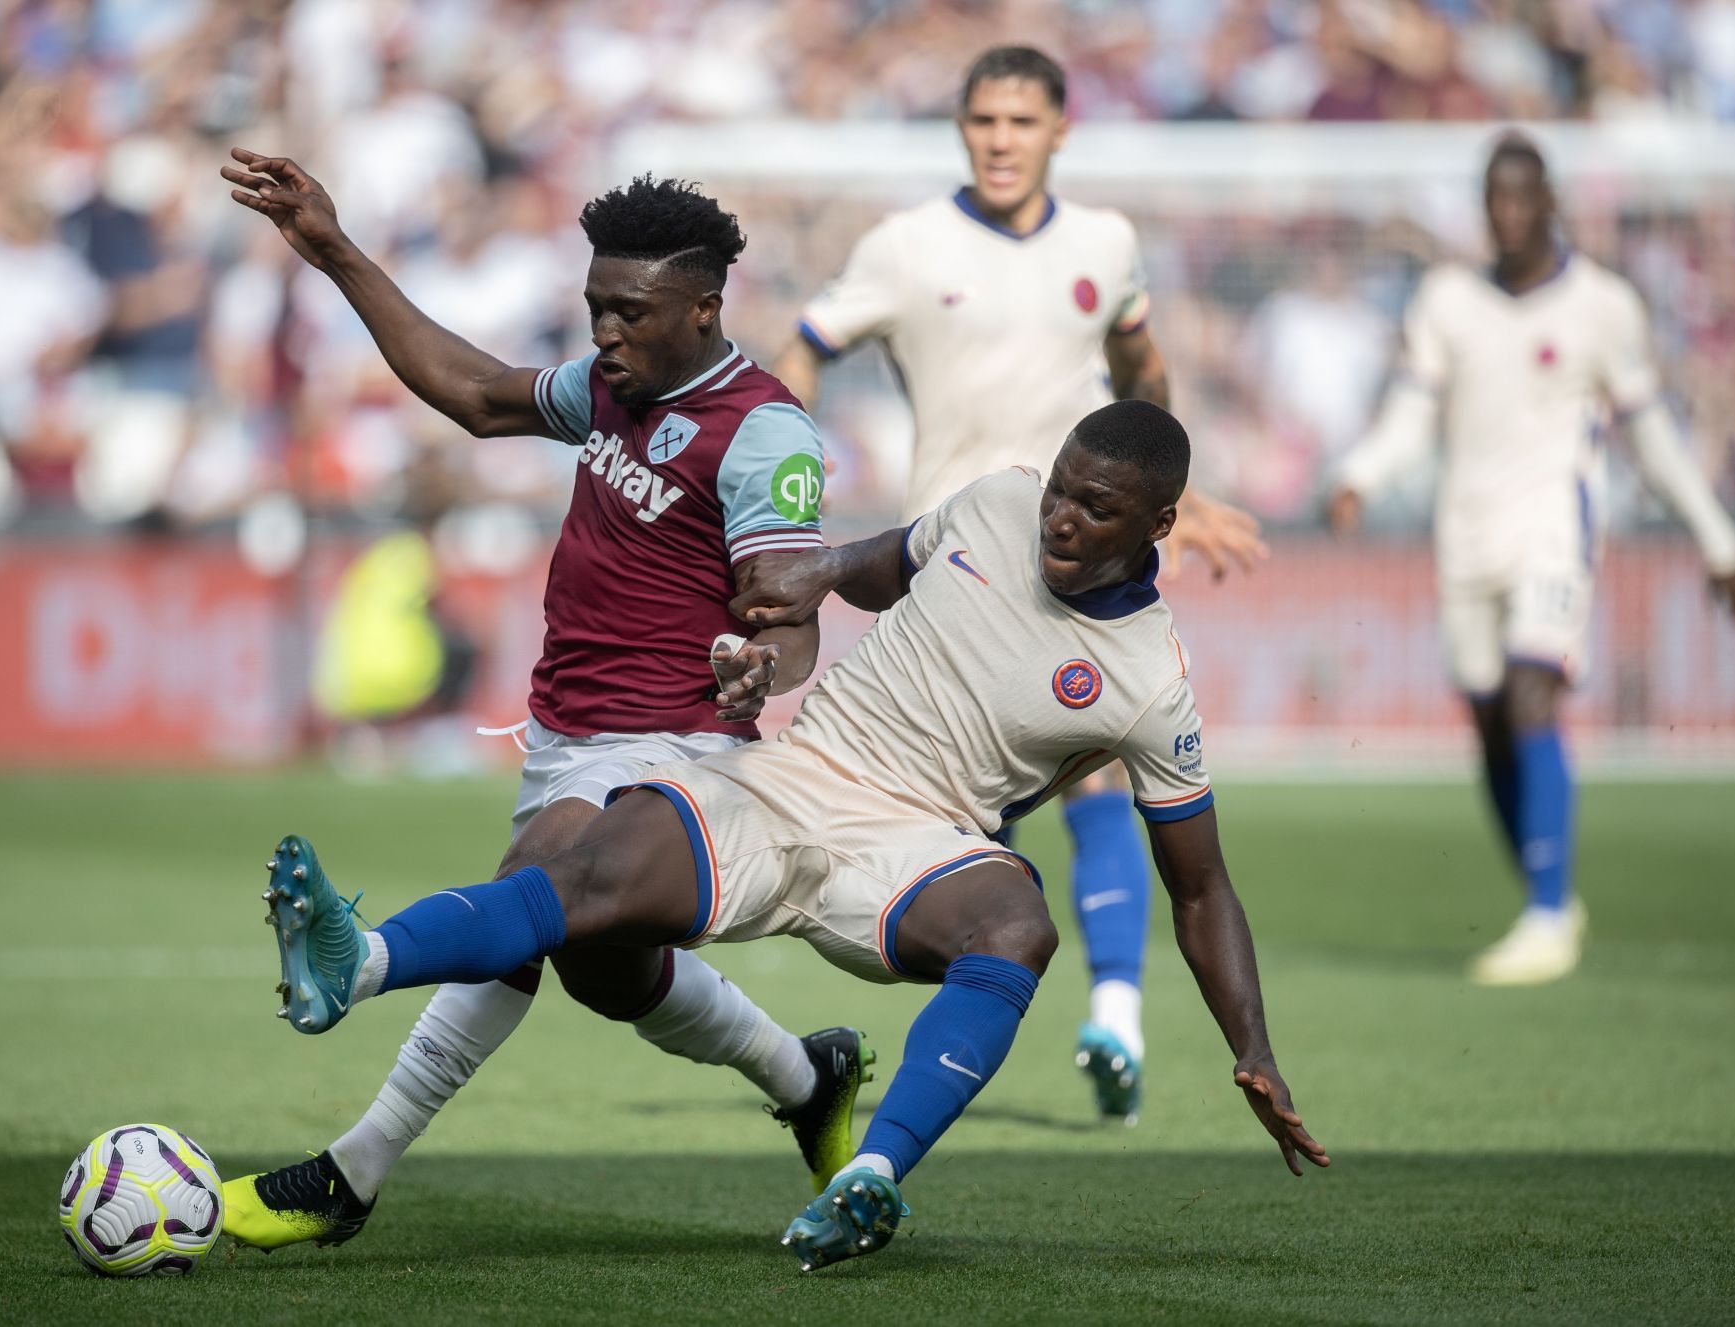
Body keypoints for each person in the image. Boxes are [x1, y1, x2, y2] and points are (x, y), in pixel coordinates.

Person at [258, 401, 1329, 1272]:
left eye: (1096, 509)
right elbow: (891, 559)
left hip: (918, 844)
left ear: (1158, 524)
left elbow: (1201, 889)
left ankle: (873, 1172)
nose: (1060, 519)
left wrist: (1255, 1049)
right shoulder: (997, 504)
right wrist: (814, 576)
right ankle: (360, 963)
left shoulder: (1151, 680)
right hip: (794, 774)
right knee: (583, 872)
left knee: (1016, 921)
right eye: (1059, 489)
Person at [217, 155, 874, 1247]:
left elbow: (790, 614)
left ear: (705, 308)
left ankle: (357, 1067)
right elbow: (475, 393)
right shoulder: (616, 387)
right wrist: (332, 248)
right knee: (608, 975)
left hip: (678, 746)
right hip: (569, 731)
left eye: (631, 312)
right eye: (595, 309)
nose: (606, 332)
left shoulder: (763, 433)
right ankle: (811, 1080)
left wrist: (763, 664)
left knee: (532, 891)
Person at [773, 46, 1266, 1122]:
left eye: (1021, 121)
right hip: (962, 561)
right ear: (961, 128)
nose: (1001, 138)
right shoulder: (905, 246)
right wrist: (793, 465)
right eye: (983, 119)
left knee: (1099, 773)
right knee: (962, 827)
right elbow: (804, 347)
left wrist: (1188, 482)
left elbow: (1141, 373)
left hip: (1085, 561)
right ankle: (935, 1020)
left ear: (1059, 132)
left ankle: (1116, 1019)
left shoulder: (1106, 243)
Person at [1329, 132, 1735, 986]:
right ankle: (1545, 888)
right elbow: (1412, 413)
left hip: (1554, 529)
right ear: (1483, 210)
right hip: (1466, 533)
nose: (1510, 215)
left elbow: (1653, 434)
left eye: (1525, 199)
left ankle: (1548, 915)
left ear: (1551, 204)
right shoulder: (1447, 299)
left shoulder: (1604, 305)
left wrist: (1718, 534)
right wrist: (1360, 475)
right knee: (1489, 724)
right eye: (1496, 201)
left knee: (1531, 692)